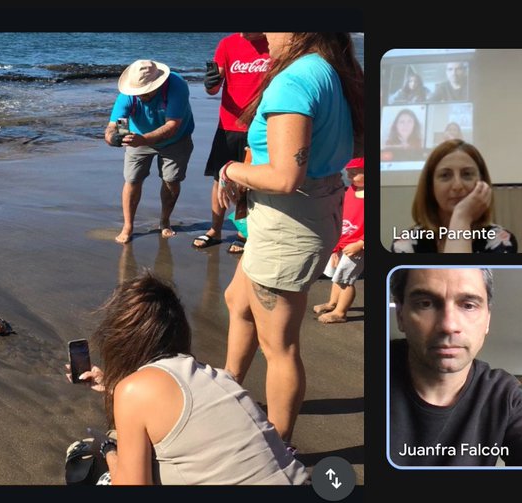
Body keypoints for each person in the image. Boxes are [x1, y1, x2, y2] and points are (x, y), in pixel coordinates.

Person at [218, 32, 365, 446]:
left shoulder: (295, 80)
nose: (262, 34)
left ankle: (280, 446)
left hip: (290, 223)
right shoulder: (331, 69)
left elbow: (285, 177)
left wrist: (230, 171)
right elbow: (353, 142)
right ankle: (230, 390)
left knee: (279, 345)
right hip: (306, 212)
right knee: (237, 299)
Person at [69, 274, 309, 485]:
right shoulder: (215, 376)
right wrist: (112, 385)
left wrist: (108, 449)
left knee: (95, 475)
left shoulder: (133, 390)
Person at [389, 268, 522, 466]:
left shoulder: (505, 396)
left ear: (487, 319)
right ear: (400, 315)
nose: (449, 325)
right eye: (425, 304)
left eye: (468, 305)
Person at [105, 59, 196, 244]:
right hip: (139, 138)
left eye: (145, 92)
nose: (141, 96)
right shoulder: (127, 94)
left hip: (175, 138)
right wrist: (114, 139)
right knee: (132, 179)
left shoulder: (176, 85)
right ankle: (128, 226)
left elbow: (172, 126)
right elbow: (112, 127)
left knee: (171, 180)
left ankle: (165, 220)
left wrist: (144, 139)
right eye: (137, 92)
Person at [193, 33, 269, 253]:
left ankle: (243, 233)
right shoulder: (228, 43)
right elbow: (213, 89)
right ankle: (215, 230)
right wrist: (210, 83)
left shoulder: (274, 41)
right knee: (220, 179)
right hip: (228, 125)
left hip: (261, 126)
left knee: (249, 183)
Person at [391, 139, 517, 253]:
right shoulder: (406, 243)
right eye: (445, 176)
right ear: (430, 186)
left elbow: (461, 277)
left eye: (467, 174)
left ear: (482, 183)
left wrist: (462, 217)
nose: (457, 185)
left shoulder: (500, 240)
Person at [313, 157, 364, 324]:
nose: (349, 175)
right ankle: (332, 303)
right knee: (336, 275)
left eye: (355, 173)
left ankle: (341, 312)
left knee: (345, 280)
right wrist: (335, 245)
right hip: (341, 241)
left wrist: (360, 244)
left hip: (356, 246)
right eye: (349, 171)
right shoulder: (350, 190)